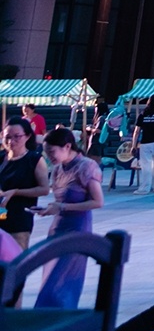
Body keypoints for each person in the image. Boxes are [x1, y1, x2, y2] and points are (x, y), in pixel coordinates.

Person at [33, 126, 105, 309]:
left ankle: (60, 317)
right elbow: (60, 201)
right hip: (57, 228)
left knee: (62, 282)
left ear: (67, 146)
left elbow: (98, 202)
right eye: (47, 152)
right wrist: (49, 209)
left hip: (77, 229)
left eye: (52, 152)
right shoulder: (58, 169)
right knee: (50, 279)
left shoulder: (86, 166)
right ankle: (46, 317)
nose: (49, 157)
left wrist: (63, 207)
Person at [1, 118, 48, 252]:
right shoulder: (2, 157)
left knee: (17, 257)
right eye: (7, 137)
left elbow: (44, 189)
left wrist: (15, 192)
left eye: (17, 137)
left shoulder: (34, 160)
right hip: (1, 213)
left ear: (27, 136)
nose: (11, 141)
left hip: (19, 218)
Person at [131, 94, 154, 194]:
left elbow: (136, 131)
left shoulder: (142, 114)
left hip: (145, 142)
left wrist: (133, 145)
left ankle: (145, 188)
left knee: (146, 166)